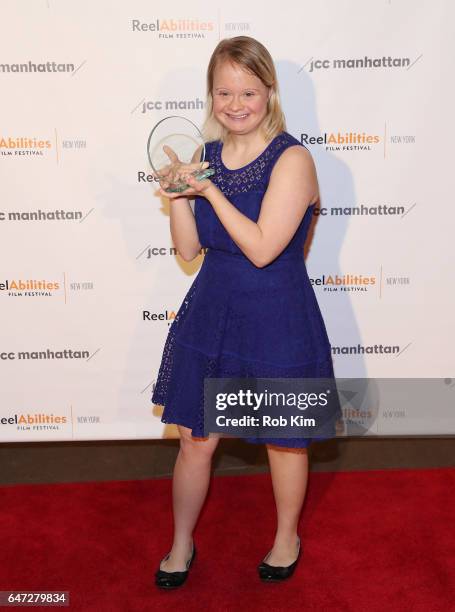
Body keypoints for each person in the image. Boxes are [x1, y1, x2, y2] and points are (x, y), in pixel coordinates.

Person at [152, 35, 340, 589]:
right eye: (223, 92)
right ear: (210, 96)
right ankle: (181, 543)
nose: (235, 104)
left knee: (284, 437)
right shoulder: (204, 158)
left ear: (269, 93)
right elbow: (189, 251)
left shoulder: (294, 159)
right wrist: (180, 197)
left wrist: (208, 194)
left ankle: (287, 537)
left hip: (276, 315)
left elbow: (262, 248)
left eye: (248, 92)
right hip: (212, 312)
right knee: (195, 439)